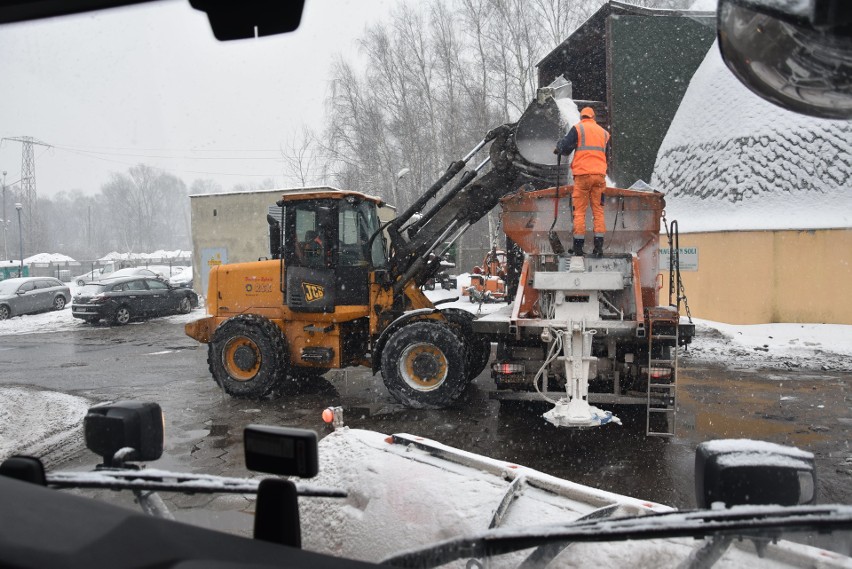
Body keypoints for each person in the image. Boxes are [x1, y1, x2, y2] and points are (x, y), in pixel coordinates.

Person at [554, 106, 611, 257]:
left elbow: (566, 148)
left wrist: (559, 146)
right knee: (598, 211)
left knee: (579, 212)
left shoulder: (578, 129)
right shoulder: (604, 133)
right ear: (593, 118)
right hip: (599, 176)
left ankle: (578, 248)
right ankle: (598, 247)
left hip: (583, 177)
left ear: (582, 117)